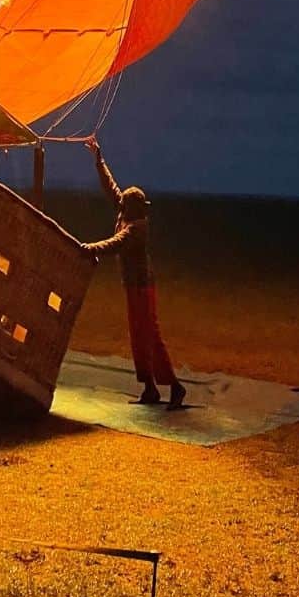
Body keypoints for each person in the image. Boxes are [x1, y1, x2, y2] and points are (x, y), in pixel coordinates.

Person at [80, 139, 186, 411]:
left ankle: (175, 386)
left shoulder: (136, 228)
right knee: (138, 336)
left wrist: (87, 248)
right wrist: (98, 159)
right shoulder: (126, 211)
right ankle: (149, 387)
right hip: (132, 286)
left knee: (150, 335)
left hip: (142, 287)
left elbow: (115, 243)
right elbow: (111, 187)